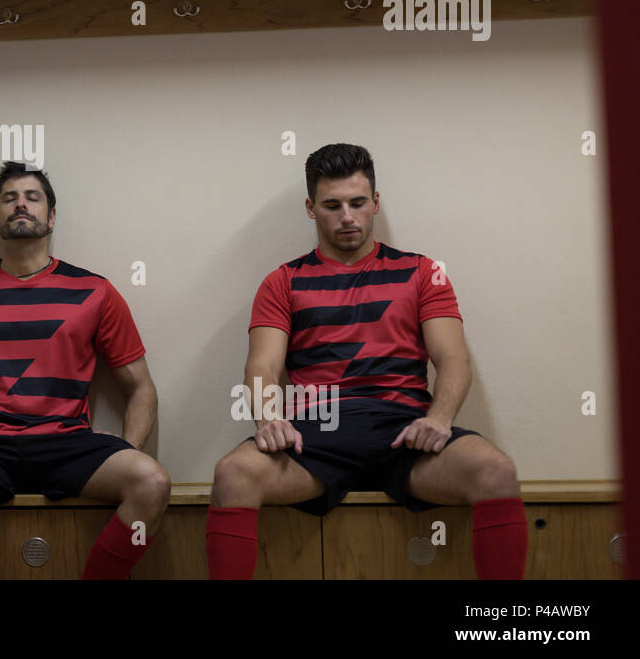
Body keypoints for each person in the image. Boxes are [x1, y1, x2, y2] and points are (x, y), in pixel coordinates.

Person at [206, 143, 526, 579]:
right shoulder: (283, 281)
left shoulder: (422, 272)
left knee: (497, 471)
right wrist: (267, 419)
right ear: (311, 208)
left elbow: (453, 358)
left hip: (405, 436)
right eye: (332, 205)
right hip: (316, 436)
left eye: (358, 203)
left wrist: (441, 417)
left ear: (376, 202)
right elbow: (261, 367)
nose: (348, 217)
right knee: (232, 475)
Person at [0, 161, 171, 579]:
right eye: (9, 198)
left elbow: (141, 388)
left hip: (66, 443)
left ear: (51, 216)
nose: (20, 204)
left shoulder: (95, 291)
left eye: (32, 198)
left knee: (152, 483)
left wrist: (128, 447)